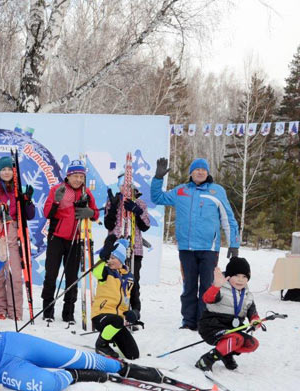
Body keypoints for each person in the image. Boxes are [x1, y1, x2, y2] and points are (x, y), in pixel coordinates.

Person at [0, 237, 163, 391]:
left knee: (73, 356)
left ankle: (125, 368)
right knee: (49, 386)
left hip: (12, 343)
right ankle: (75, 375)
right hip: (2, 371)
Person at [151, 157, 240, 331]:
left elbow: (227, 219)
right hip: (186, 248)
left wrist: (233, 243)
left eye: (203, 170)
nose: (200, 172)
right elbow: (157, 198)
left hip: (208, 249)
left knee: (207, 286)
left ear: (207, 173)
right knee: (189, 286)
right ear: (191, 173)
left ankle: (203, 321)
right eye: (197, 169)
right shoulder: (181, 191)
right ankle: (189, 321)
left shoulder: (217, 191)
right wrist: (158, 178)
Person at [41, 159, 99, 324]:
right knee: (51, 274)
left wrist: (89, 212)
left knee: (72, 277)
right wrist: (57, 201)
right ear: (68, 175)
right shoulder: (57, 189)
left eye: (81, 176)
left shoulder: (86, 192)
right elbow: (47, 213)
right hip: (57, 238)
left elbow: (95, 214)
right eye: (75, 176)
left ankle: (69, 312)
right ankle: (48, 309)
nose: (78, 180)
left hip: (76, 239)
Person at [195, 257, 261, 371]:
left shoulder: (248, 296)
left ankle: (225, 353)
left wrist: (255, 321)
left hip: (231, 330)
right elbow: (207, 299)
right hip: (212, 326)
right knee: (237, 338)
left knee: (252, 343)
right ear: (229, 276)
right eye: (236, 276)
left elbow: (253, 313)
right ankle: (207, 360)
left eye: (244, 276)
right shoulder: (221, 288)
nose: (240, 280)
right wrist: (216, 286)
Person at [0, 156, 35, 321]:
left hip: (15, 234)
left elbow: (30, 216)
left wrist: (28, 201)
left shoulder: (19, 191)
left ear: (14, 172)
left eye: (9, 169)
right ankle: (0, 308)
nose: (7, 172)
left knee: (15, 276)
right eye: (3, 169)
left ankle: (15, 310)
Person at [91, 235, 144, 359]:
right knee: (117, 320)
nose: (110, 261)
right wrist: (103, 257)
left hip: (118, 321)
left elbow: (136, 301)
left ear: (121, 259)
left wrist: (135, 313)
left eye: (113, 258)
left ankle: (110, 337)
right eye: (109, 258)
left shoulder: (130, 278)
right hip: (101, 315)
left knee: (133, 355)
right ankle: (101, 344)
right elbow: (96, 272)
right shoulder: (105, 272)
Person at [104, 175, 151, 313]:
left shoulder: (140, 203)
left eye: (129, 186)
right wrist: (113, 207)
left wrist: (137, 211)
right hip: (115, 250)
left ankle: (134, 312)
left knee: (132, 281)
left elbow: (145, 226)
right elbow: (108, 224)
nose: (126, 189)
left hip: (134, 249)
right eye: (123, 186)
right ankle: (112, 310)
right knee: (113, 280)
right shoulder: (113, 201)